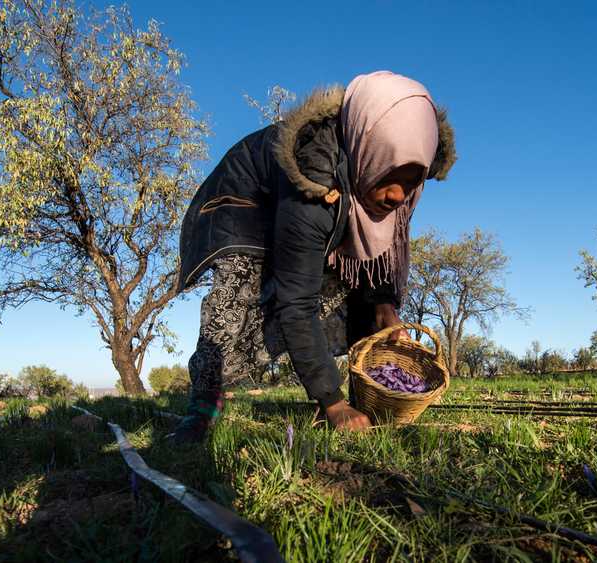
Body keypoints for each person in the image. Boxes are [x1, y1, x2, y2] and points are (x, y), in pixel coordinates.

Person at [169, 70, 456, 443]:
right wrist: (332, 403)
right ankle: (204, 402)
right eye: (391, 176)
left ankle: (363, 398)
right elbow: (296, 300)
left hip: (316, 203)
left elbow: (374, 259)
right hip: (244, 206)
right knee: (236, 294)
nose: (399, 195)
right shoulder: (315, 179)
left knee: (350, 281)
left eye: (412, 180)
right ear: (370, 152)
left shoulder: (393, 176)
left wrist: (386, 307)